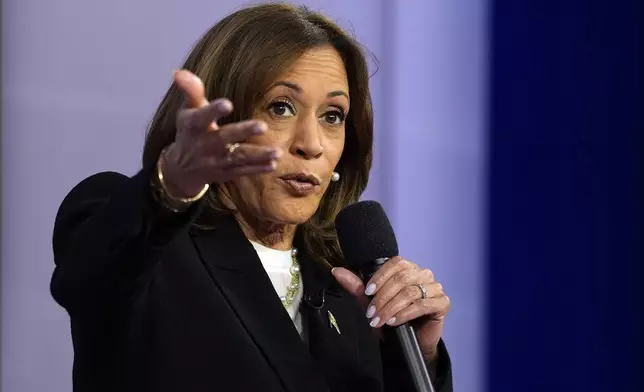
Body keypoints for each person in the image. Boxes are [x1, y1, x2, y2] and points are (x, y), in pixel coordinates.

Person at [51, 3, 453, 392]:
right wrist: (168, 189)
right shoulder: (145, 245)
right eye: (280, 107)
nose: (311, 144)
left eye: (332, 116)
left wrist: (418, 356)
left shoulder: (350, 293)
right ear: (221, 118)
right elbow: (89, 279)